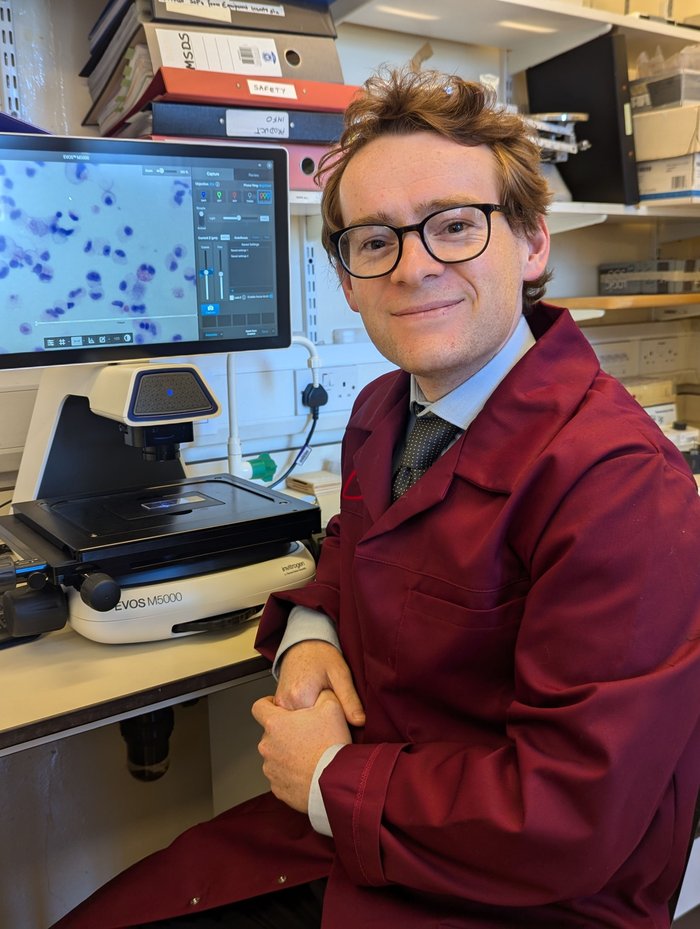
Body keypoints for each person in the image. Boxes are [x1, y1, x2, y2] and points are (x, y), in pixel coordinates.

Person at [54, 67, 700, 929]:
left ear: (532, 242)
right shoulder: (384, 412)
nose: (413, 266)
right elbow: (358, 550)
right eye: (374, 241)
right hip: (363, 832)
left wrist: (326, 775)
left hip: (519, 892)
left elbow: (572, 816)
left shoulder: (622, 485)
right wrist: (311, 638)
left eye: (455, 226)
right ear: (348, 277)